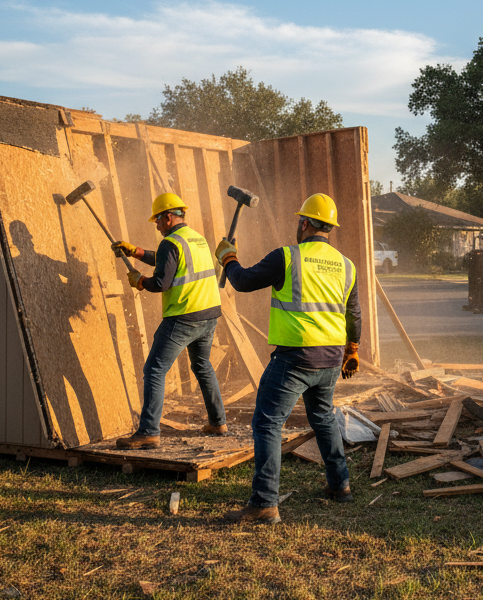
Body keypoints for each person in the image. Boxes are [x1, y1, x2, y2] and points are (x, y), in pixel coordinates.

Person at [215, 192, 361, 525]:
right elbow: (354, 313)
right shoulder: (346, 265)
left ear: (306, 223)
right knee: (323, 417)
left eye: (300, 221)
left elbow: (242, 281)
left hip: (295, 358)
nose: (298, 226)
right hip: (330, 359)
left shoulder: (287, 257)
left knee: (267, 424)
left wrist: (228, 257)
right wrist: (352, 350)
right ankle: (340, 486)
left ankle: (265, 504)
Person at [111, 193, 227, 449]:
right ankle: (218, 421)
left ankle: (148, 432)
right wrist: (137, 252)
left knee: (154, 369)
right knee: (202, 366)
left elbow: (161, 282)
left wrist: (140, 281)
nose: (156, 225)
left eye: (158, 220)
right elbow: (169, 261)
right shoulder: (197, 239)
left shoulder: (171, 243)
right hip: (208, 315)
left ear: (169, 217)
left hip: (183, 317)